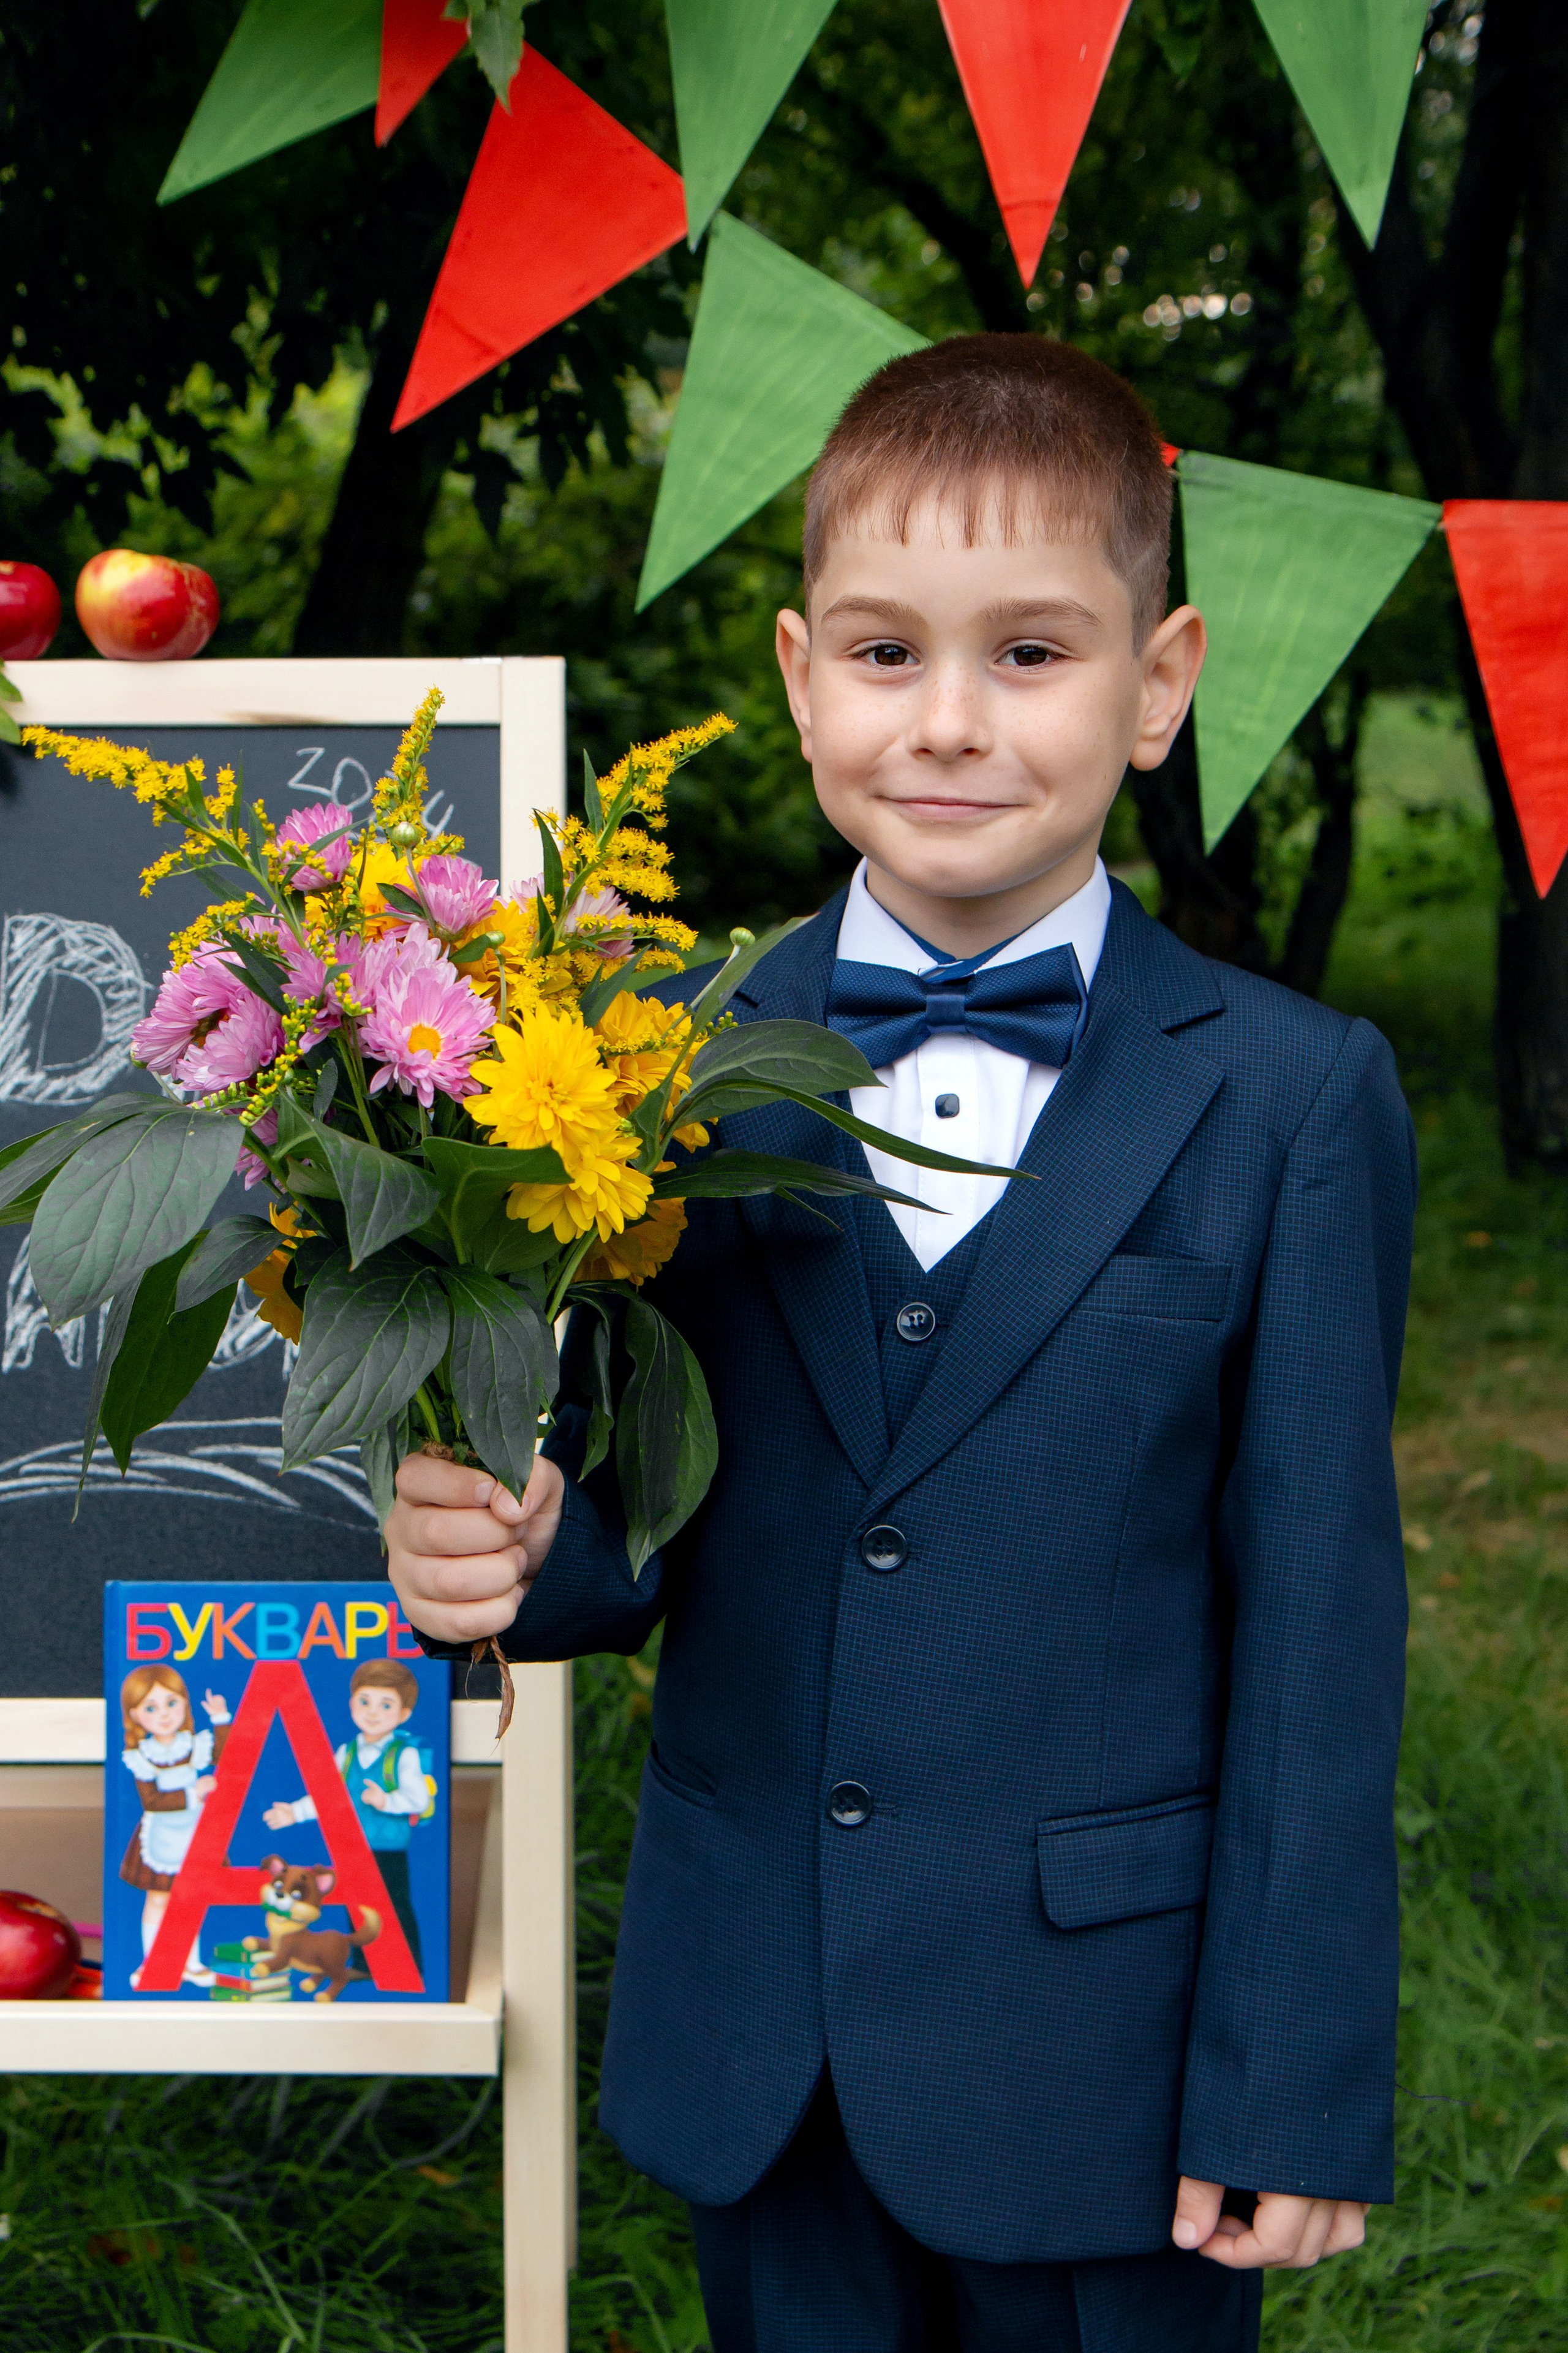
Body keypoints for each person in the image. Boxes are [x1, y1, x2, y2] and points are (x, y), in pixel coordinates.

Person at [386, 335, 1414, 2352]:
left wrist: (1286, 2079)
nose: (948, 723)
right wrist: (507, 1555)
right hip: (761, 2029)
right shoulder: (653, 1051)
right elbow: (628, 1508)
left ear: (1162, 681)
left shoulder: (1295, 1099)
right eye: (883, 654)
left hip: (1107, 2068)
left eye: (1031, 655)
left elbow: (1316, 1620)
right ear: (795, 672)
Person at [262, 1658, 431, 1977]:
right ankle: (364, 1965)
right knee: (358, 1907)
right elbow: (327, 1797)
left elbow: (418, 1800)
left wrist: (386, 1800)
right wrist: (294, 1813)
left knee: (396, 1905)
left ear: (404, 1714)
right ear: (352, 1704)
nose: (372, 1712)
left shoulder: (403, 1754)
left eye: (386, 1705)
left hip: (387, 1847)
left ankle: (410, 1967)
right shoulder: (347, 1752)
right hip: (350, 1845)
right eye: (365, 1702)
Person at [119, 1663, 231, 1990]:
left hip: (194, 1832)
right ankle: (153, 1962)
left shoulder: (193, 1744)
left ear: (185, 1704)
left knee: (190, 1899)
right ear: (136, 1716)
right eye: (151, 1708)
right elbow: (151, 1801)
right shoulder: (141, 1755)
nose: (164, 1715)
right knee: (157, 1899)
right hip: (161, 1837)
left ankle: (190, 1962)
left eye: (172, 1703)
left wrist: (221, 1718)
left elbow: (227, 1756)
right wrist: (192, 1793)